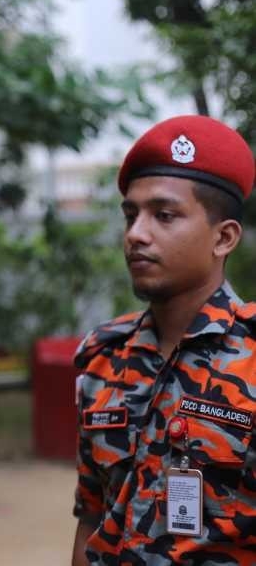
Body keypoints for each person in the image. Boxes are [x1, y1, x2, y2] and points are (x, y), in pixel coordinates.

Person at [71, 115, 256, 565]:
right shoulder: (102, 357)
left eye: (164, 215)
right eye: (131, 215)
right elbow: (92, 516)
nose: (136, 234)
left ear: (223, 237)